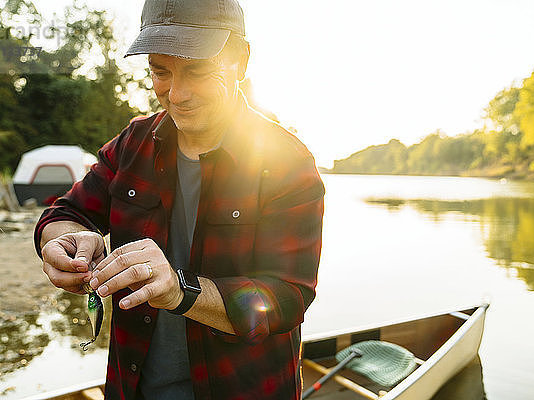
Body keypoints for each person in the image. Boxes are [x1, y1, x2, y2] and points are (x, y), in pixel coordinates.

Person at [34, 0, 325, 399]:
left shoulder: (287, 162)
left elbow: (288, 297)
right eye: (160, 71)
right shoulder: (133, 143)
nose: (177, 93)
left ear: (240, 60)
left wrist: (180, 291)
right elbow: (66, 212)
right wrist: (63, 240)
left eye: (198, 70)